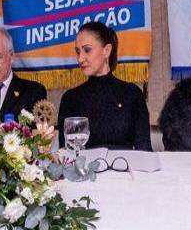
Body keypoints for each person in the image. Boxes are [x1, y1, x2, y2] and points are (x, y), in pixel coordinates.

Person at [57, 21, 151, 151]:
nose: (80, 59)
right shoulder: (70, 99)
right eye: (78, 52)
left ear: (107, 50)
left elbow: (145, 151)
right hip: (84, 165)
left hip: (126, 164)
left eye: (87, 50)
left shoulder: (132, 94)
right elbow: (66, 153)